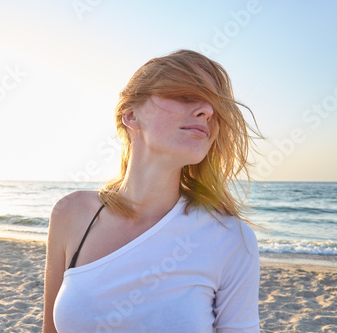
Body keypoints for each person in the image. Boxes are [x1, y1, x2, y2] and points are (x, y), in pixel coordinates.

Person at [42, 49, 262, 333]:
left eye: (215, 106)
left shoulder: (231, 238)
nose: (207, 111)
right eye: (185, 95)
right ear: (131, 115)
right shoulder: (71, 214)